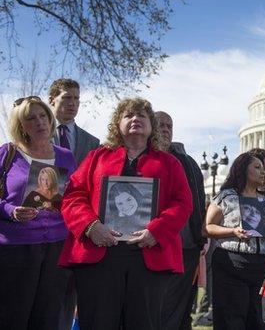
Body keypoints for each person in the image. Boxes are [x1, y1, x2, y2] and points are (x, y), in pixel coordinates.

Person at [58, 98, 193, 330]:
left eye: (142, 115)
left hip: (148, 255)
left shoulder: (169, 163)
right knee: (98, 322)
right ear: (117, 124)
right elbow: (73, 197)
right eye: (128, 115)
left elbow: (182, 203)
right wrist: (90, 226)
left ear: (151, 125)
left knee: (143, 322)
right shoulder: (96, 157)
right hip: (100, 254)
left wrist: (157, 230)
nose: (135, 119)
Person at [0, 96, 76, 330]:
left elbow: (76, 197)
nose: (39, 122)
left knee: (48, 318)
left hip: (57, 248)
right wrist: (11, 210)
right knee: (12, 317)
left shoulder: (66, 155)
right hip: (15, 251)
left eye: (43, 116)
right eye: (30, 118)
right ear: (21, 126)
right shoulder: (7, 153)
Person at [205, 152, 265, 330]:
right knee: (231, 318)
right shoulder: (227, 197)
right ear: (242, 170)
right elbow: (207, 227)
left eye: (264, 168)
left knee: (259, 319)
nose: (263, 171)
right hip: (233, 262)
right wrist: (233, 231)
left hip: (264, 263)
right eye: (257, 167)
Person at [48, 78, 100, 330]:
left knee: (70, 296)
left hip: (77, 230)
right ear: (52, 100)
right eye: (67, 98)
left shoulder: (92, 143)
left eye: (76, 99)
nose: (73, 104)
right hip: (42, 227)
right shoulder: (36, 134)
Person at [155, 111, 206, 330]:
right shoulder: (141, 158)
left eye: (169, 126)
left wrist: (200, 237)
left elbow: (199, 200)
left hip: (185, 246)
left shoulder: (187, 163)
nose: (166, 130)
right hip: (152, 244)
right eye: (161, 125)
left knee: (179, 310)